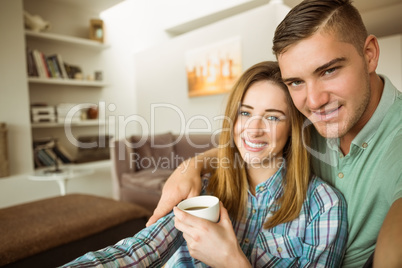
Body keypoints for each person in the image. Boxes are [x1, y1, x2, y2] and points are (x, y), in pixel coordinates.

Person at [146, 1, 402, 267]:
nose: (313, 101)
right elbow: (251, 147)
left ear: (370, 54)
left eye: (329, 70)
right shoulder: (307, 124)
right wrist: (191, 165)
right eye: (296, 82)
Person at [62, 61, 347, 267]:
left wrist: (231, 261)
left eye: (273, 117)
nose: (253, 129)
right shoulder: (208, 187)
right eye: (245, 113)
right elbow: (138, 250)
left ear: (292, 129)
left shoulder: (323, 207)